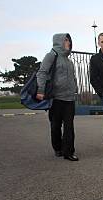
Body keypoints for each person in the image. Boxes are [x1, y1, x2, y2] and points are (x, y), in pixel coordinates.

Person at [37, 33, 79, 161]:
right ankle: (57, 148)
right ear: (59, 42)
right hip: (55, 98)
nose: (68, 43)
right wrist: (40, 90)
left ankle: (69, 152)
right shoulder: (51, 56)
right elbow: (42, 73)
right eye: (66, 40)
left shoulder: (69, 61)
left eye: (69, 40)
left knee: (69, 126)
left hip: (69, 98)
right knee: (55, 125)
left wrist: (75, 89)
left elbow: (73, 77)